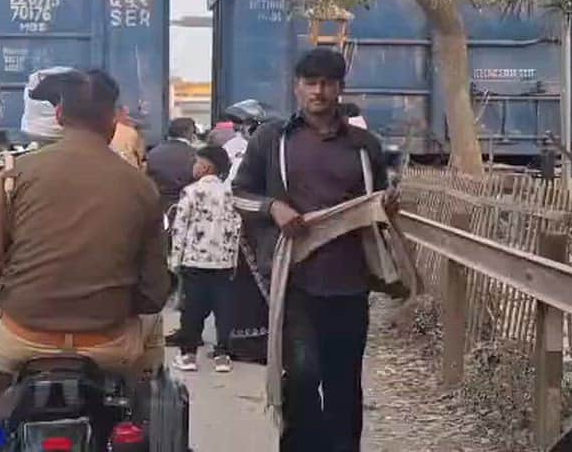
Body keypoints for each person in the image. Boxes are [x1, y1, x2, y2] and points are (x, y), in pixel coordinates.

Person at [0, 69, 170, 450]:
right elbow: (153, 294)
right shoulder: (141, 187)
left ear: (59, 116)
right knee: (153, 333)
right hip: (107, 345)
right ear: (112, 120)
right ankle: (138, 423)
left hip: (19, 339)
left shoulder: (14, 176)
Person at [231, 47, 398, 452]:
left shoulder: (364, 146)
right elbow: (238, 195)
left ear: (340, 88)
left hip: (349, 283)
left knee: (344, 383)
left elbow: (376, 202)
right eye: (310, 83)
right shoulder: (273, 140)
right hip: (294, 283)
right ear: (297, 87)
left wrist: (386, 207)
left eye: (327, 83)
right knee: (303, 377)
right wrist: (274, 207)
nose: (318, 91)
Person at [168, 145, 238, 374]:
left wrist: (175, 260)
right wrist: (233, 259)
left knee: (193, 309)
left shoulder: (191, 192)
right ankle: (222, 355)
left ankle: (188, 355)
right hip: (224, 262)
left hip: (195, 261)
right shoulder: (230, 193)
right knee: (224, 309)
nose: (194, 166)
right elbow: (236, 227)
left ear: (207, 166)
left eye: (197, 162)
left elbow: (180, 227)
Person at [146, 117, 199, 221]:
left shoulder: (153, 152)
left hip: (160, 205)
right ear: (189, 132)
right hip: (186, 206)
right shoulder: (194, 154)